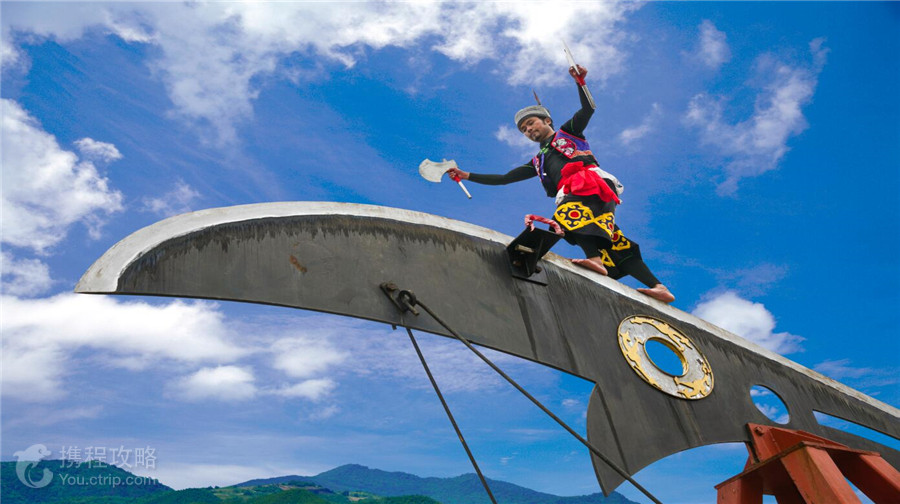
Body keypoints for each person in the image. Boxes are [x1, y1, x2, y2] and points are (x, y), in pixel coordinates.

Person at [445, 65, 675, 304]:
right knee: (614, 243)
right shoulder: (538, 161)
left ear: (547, 120)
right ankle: (659, 287)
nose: (528, 130)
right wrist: (466, 175)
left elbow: (588, 109)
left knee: (566, 216)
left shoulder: (568, 133)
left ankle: (595, 261)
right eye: (524, 130)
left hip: (589, 183)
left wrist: (580, 82)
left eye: (531, 123)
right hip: (582, 194)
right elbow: (505, 178)